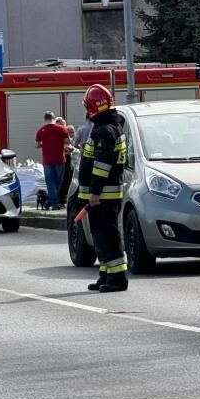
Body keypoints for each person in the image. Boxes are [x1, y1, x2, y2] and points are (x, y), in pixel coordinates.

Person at [78, 84, 128, 293]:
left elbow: (102, 166)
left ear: (91, 107)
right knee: (101, 236)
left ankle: (117, 278)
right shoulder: (109, 127)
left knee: (107, 236)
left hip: (103, 195)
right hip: (104, 194)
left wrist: (95, 193)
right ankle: (106, 274)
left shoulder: (104, 131)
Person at [35, 110, 71, 211]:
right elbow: (67, 142)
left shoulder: (41, 130)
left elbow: (37, 145)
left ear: (45, 119)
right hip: (60, 159)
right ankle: (54, 203)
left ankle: (49, 202)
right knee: (58, 182)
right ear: (53, 119)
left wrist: (44, 144)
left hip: (47, 160)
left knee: (50, 182)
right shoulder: (62, 129)